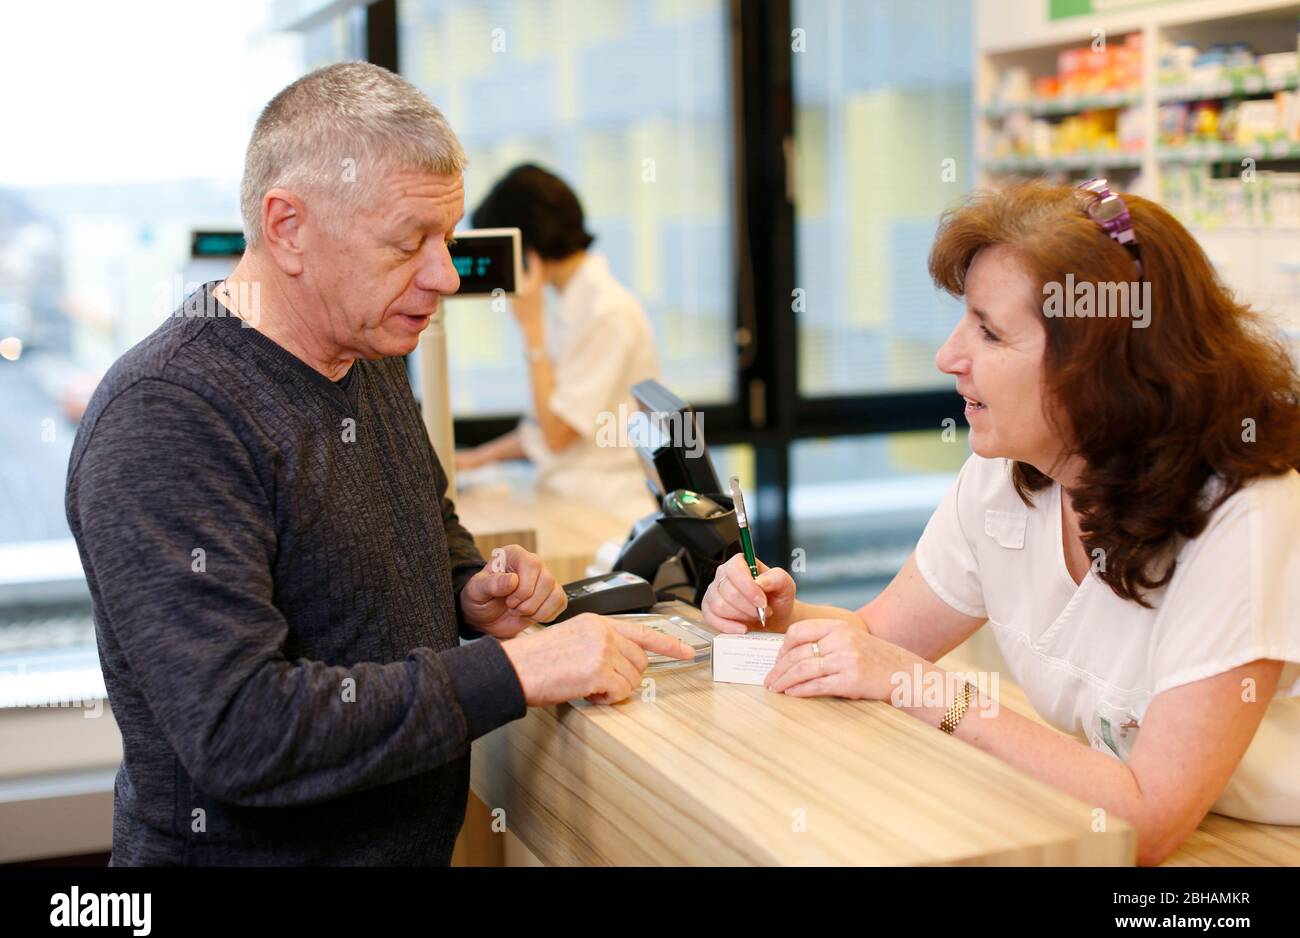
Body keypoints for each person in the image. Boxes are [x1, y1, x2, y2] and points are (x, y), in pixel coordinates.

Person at [64, 62, 691, 867]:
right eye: (409, 243)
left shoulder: (371, 353)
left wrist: (469, 590)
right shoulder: (166, 416)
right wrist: (509, 668)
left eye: (450, 241)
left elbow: (429, 522)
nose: (446, 276)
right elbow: (242, 730)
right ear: (287, 227)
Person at [701, 178, 1300, 866]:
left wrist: (925, 689)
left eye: (989, 330)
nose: (949, 356)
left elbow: (1150, 820)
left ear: (1101, 364)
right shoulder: (1010, 472)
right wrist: (781, 616)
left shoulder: (1243, 516)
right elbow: (878, 638)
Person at [456, 164, 661, 525]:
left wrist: (531, 329)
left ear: (527, 247)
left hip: (604, 512)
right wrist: (477, 459)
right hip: (573, 501)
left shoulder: (606, 313)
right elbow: (542, 425)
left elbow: (557, 434)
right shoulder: (570, 302)